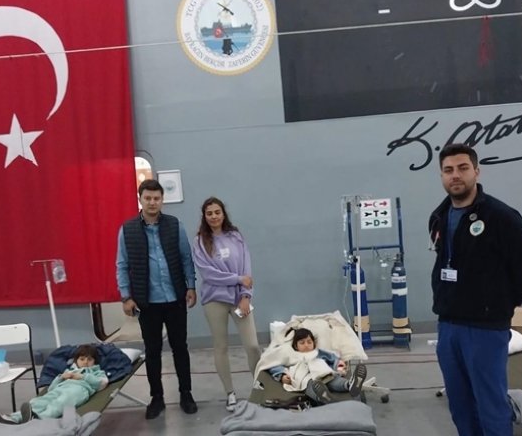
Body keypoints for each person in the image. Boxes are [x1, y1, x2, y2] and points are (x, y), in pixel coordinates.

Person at [429, 144, 522, 436]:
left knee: (491, 405)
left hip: (485, 328)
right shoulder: (439, 216)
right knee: (460, 405)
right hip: (448, 325)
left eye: (463, 168)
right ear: (441, 176)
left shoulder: (501, 216)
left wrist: (500, 305)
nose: (455, 175)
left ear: (476, 171)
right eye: (448, 170)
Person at [117, 179, 198, 418]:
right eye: (148, 198)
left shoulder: (174, 225)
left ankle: (186, 394)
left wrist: (191, 286)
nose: (152, 202)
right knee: (152, 351)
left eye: (156, 198)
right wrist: (126, 296)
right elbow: (122, 264)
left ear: (162, 200)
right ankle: (157, 398)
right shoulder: (127, 229)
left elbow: (186, 258)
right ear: (140, 200)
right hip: (147, 302)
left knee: (180, 348)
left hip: (175, 299)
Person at [192, 197, 261, 411]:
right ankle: (230, 393)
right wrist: (237, 279)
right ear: (204, 216)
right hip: (215, 299)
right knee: (221, 346)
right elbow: (209, 274)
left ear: (223, 213)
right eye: (209, 213)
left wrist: (246, 295)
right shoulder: (199, 242)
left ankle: (259, 387)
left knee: (252, 346)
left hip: (240, 299)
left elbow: (247, 269)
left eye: (217, 212)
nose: (214, 216)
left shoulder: (236, 236)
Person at [0, 345, 108, 424]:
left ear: (95, 361)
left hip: (78, 390)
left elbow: (102, 383)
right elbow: (51, 389)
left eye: (89, 359)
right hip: (60, 388)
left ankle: (38, 418)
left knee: (60, 403)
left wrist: (83, 377)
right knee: (39, 401)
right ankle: (12, 418)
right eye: (82, 359)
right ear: (76, 360)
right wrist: (60, 378)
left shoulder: (96, 372)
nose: (85, 362)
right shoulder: (69, 371)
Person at [267, 328, 367, 405]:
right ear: (296, 346)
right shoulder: (291, 355)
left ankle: (350, 384)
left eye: (309, 342)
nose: (306, 345)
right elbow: (274, 363)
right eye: (302, 343)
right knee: (311, 386)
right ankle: (322, 396)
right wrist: (282, 375)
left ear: (314, 344)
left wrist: (339, 366)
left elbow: (333, 358)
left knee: (333, 379)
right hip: (305, 377)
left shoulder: (318, 353)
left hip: (322, 373)